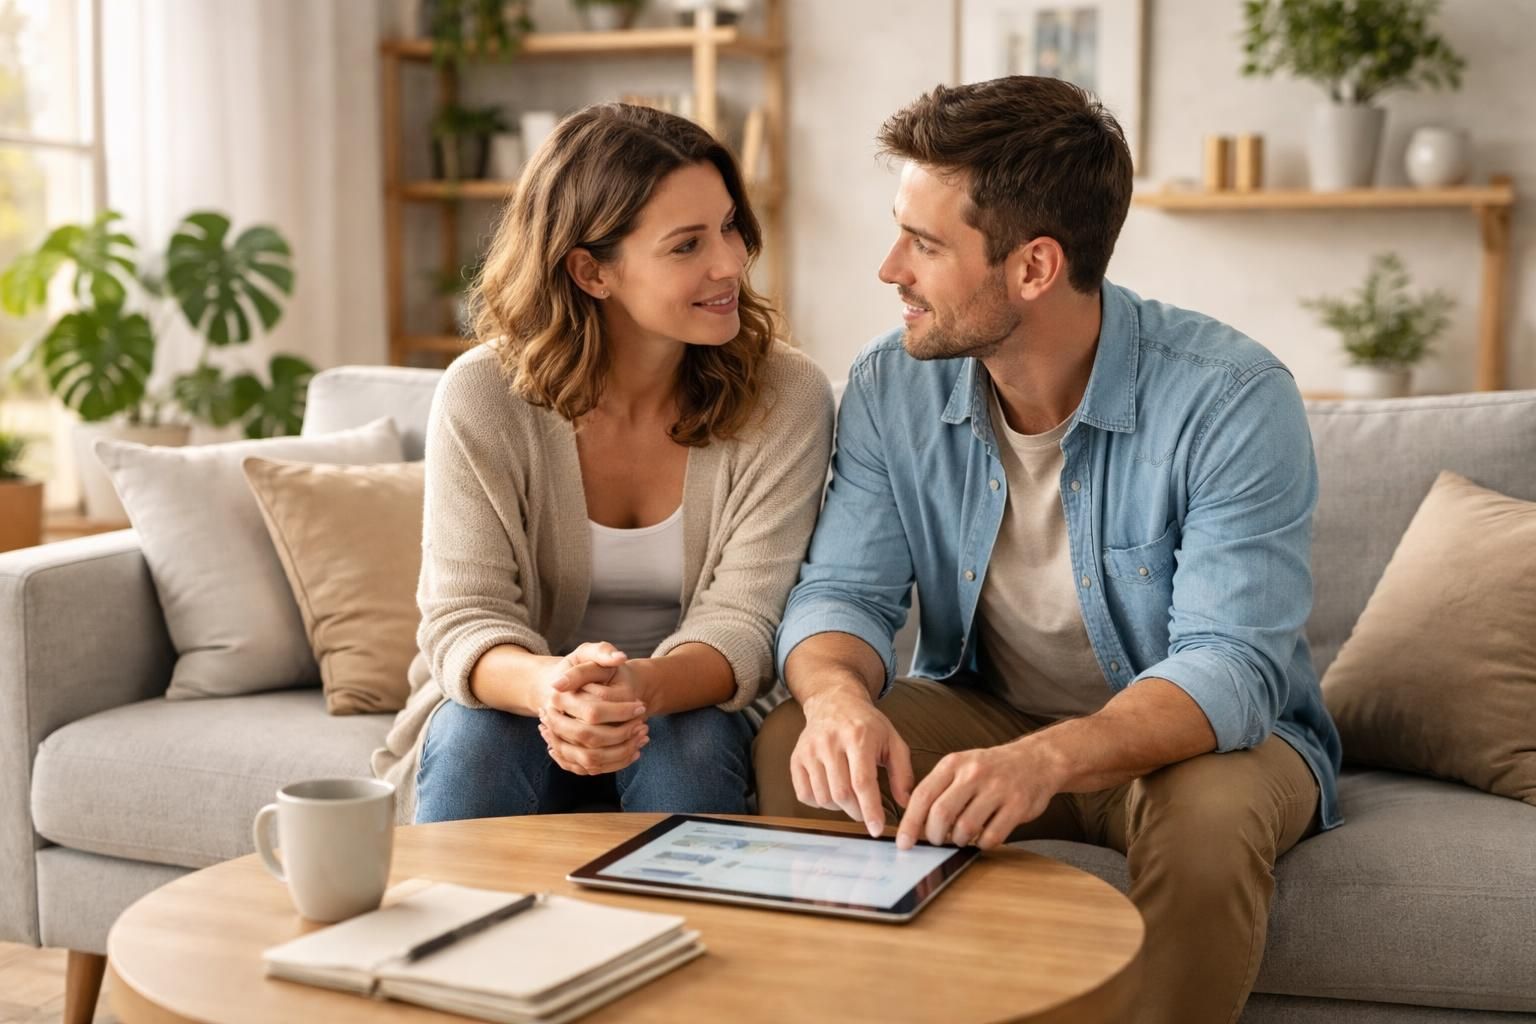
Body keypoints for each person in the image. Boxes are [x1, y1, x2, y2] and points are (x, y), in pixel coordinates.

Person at [753, 77, 1342, 1024]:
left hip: (1190, 748)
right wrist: (833, 702)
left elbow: (1231, 667)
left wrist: (1047, 762)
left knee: (1211, 822)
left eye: (926, 244)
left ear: (1032, 268)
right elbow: (843, 594)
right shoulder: (887, 385)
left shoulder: (1232, 397)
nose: (888, 268)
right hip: (994, 716)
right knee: (797, 748)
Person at [373, 103, 834, 825]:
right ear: (590, 271)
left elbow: (745, 620)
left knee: (689, 747)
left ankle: (709, 940)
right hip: (515, 701)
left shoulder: (786, 396)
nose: (730, 262)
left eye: (729, 227)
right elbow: (465, 616)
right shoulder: (483, 395)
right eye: (687, 245)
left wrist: (636, 690)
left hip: (695, 704)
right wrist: (554, 689)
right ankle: (453, 934)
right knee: (477, 746)